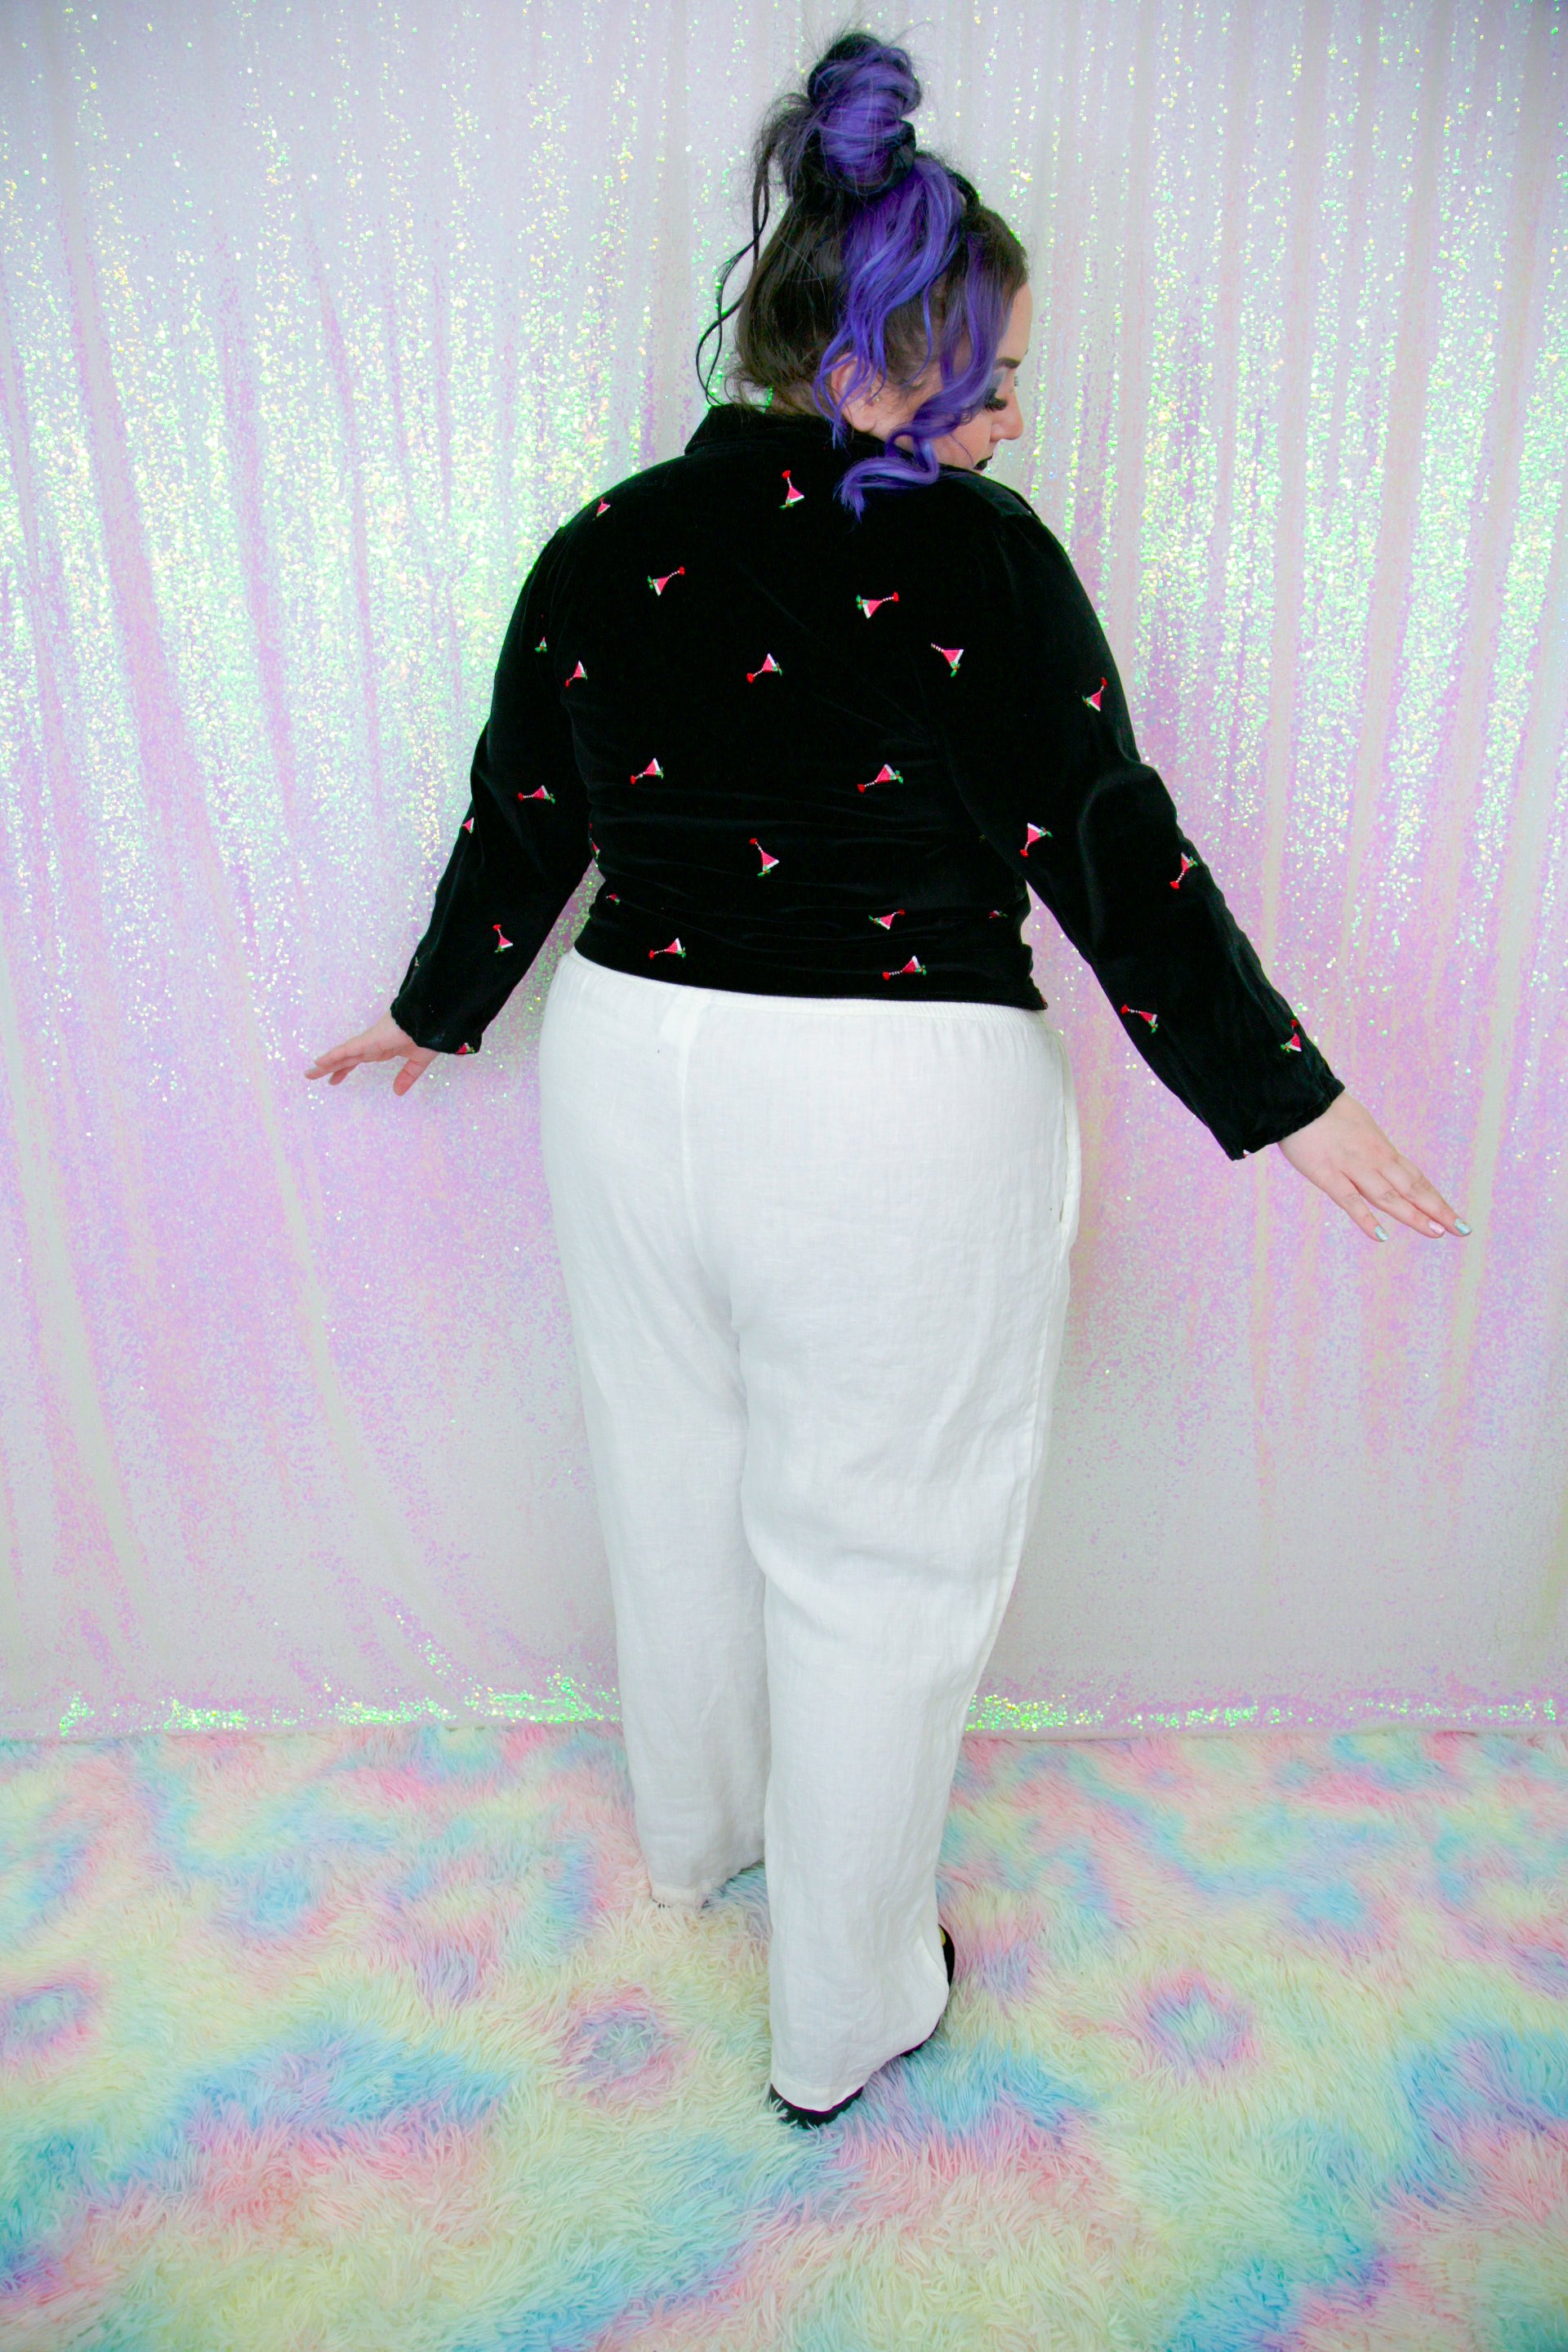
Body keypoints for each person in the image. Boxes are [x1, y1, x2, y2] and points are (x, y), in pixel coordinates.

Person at [305, 32, 1467, 2127]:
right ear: (865, 368)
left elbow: (523, 811)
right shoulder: (983, 561)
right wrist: (1288, 1096)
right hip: (890, 1105)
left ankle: (701, 1842)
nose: (1014, 423)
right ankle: (846, 2010)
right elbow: (1109, 843)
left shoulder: (606, 537)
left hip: (631, 1067)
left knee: (673, 1476)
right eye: (993, 383)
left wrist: (442, 1006)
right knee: (879, 1557)